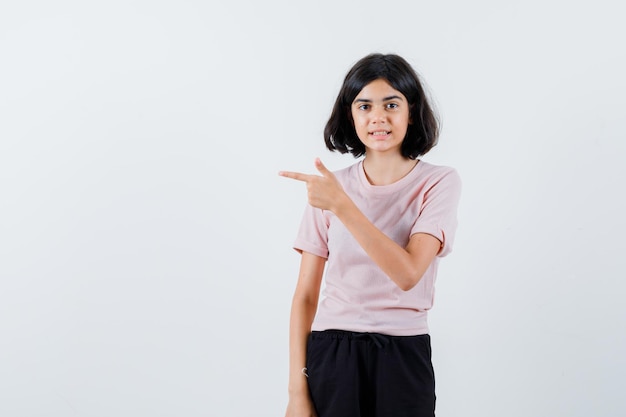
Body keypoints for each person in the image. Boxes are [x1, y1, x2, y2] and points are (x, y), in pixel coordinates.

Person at [278, 53, 461, 417]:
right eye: (365, 106)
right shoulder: (331, 188)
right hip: (333, 353)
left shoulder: (438, 182)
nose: (378, 117)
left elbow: (408, 274)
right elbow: (305, 296)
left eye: (391, 104)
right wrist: (297, 392)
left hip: (403, 353)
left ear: (412, 112)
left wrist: (342, 206)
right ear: (351, 115)